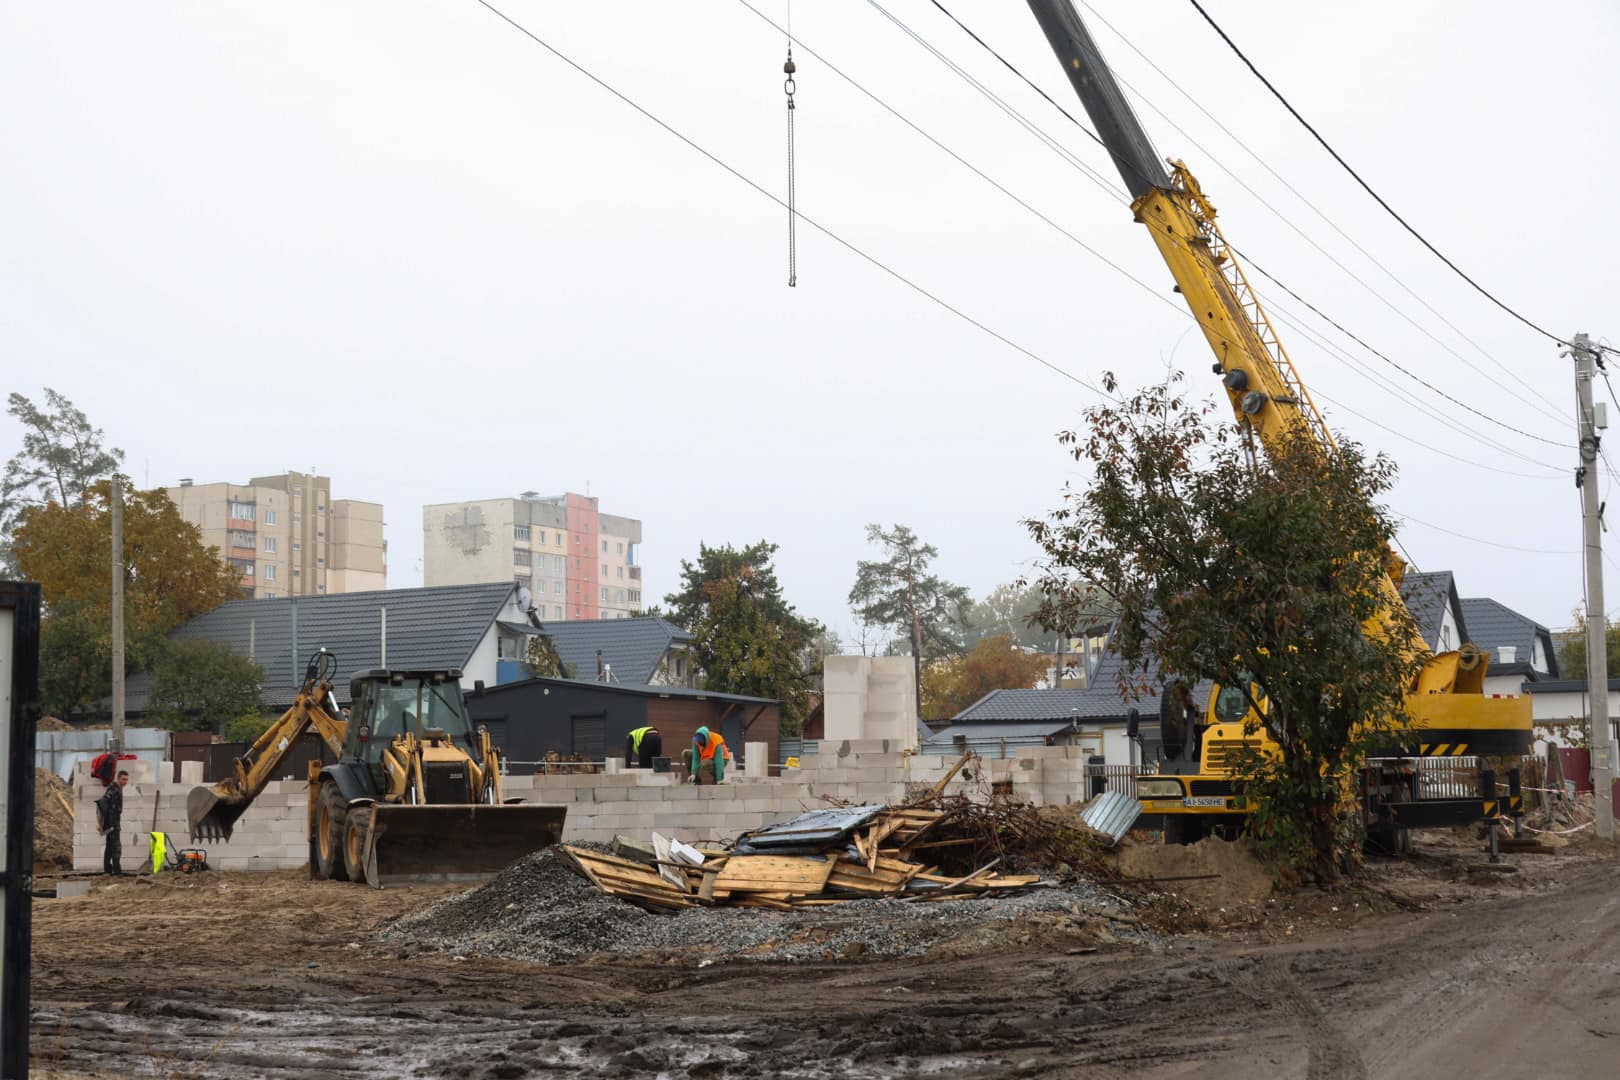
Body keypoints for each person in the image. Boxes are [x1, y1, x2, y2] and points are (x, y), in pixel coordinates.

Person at [99, 770, 130, 875]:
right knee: (116, 847)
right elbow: (102, 802)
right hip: (112, 824)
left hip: (113, 822)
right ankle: (117, 872)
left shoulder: (118, 789)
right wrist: (101, 822)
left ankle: (107, 870)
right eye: (123, 779)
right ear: (118, 778)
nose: (125, 782)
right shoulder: (114, 789)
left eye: (126, 779)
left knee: (109, 847)